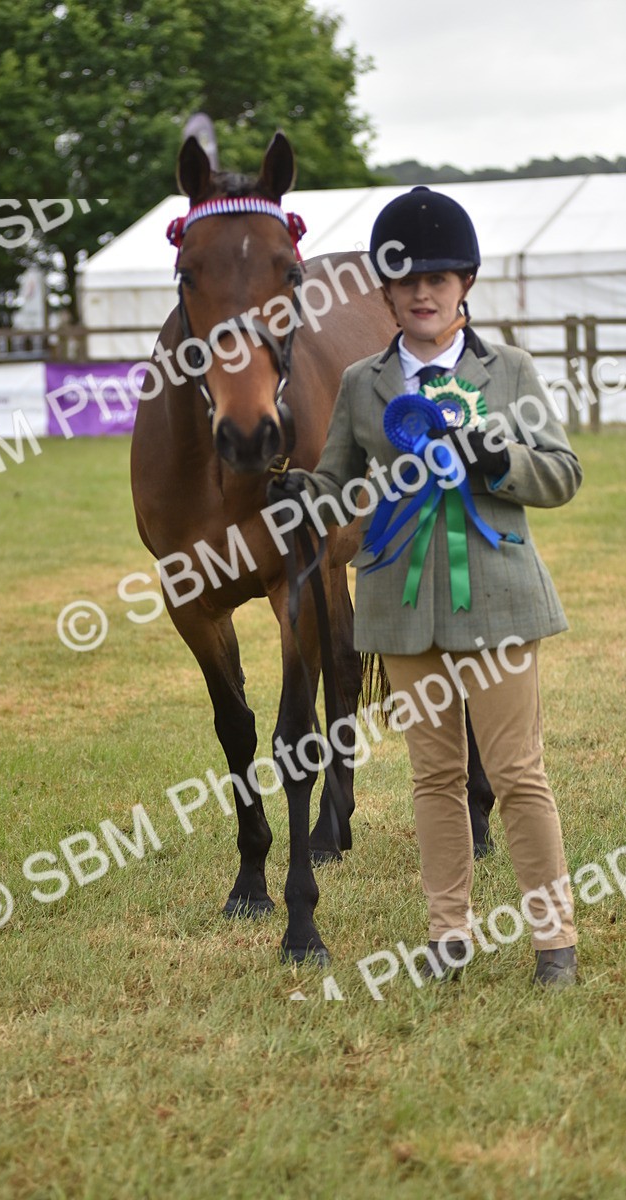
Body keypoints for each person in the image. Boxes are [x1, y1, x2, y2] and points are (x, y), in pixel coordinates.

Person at [273, 186, 581, 988]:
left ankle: (552, 938)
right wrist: (301, 489)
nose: (422, 292)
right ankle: (449, 933)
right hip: (400, 603)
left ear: (464, 285)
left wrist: (497, 462)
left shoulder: (506, 371)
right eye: (406, 279)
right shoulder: (360, 383)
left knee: (516, 772)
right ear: (384, 291)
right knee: (433, 776)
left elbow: (561, 474)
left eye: (438, 279)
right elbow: (339, 487)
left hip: (497, 597)